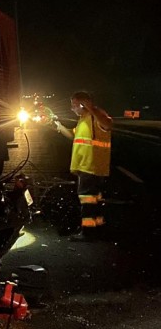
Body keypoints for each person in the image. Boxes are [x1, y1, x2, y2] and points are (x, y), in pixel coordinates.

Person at [48, 91, 113, 237]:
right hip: (87, 166)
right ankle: (97, 228)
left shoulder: (96, 115)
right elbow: (73, 135)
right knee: (95, 200)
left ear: (84, 104)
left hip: (91, 166)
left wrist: (91, 109)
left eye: (75, 105)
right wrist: (57, 125)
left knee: (87, 199)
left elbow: (107, 124)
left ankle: (87, 232)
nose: (72, 109)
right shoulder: (84, 118)